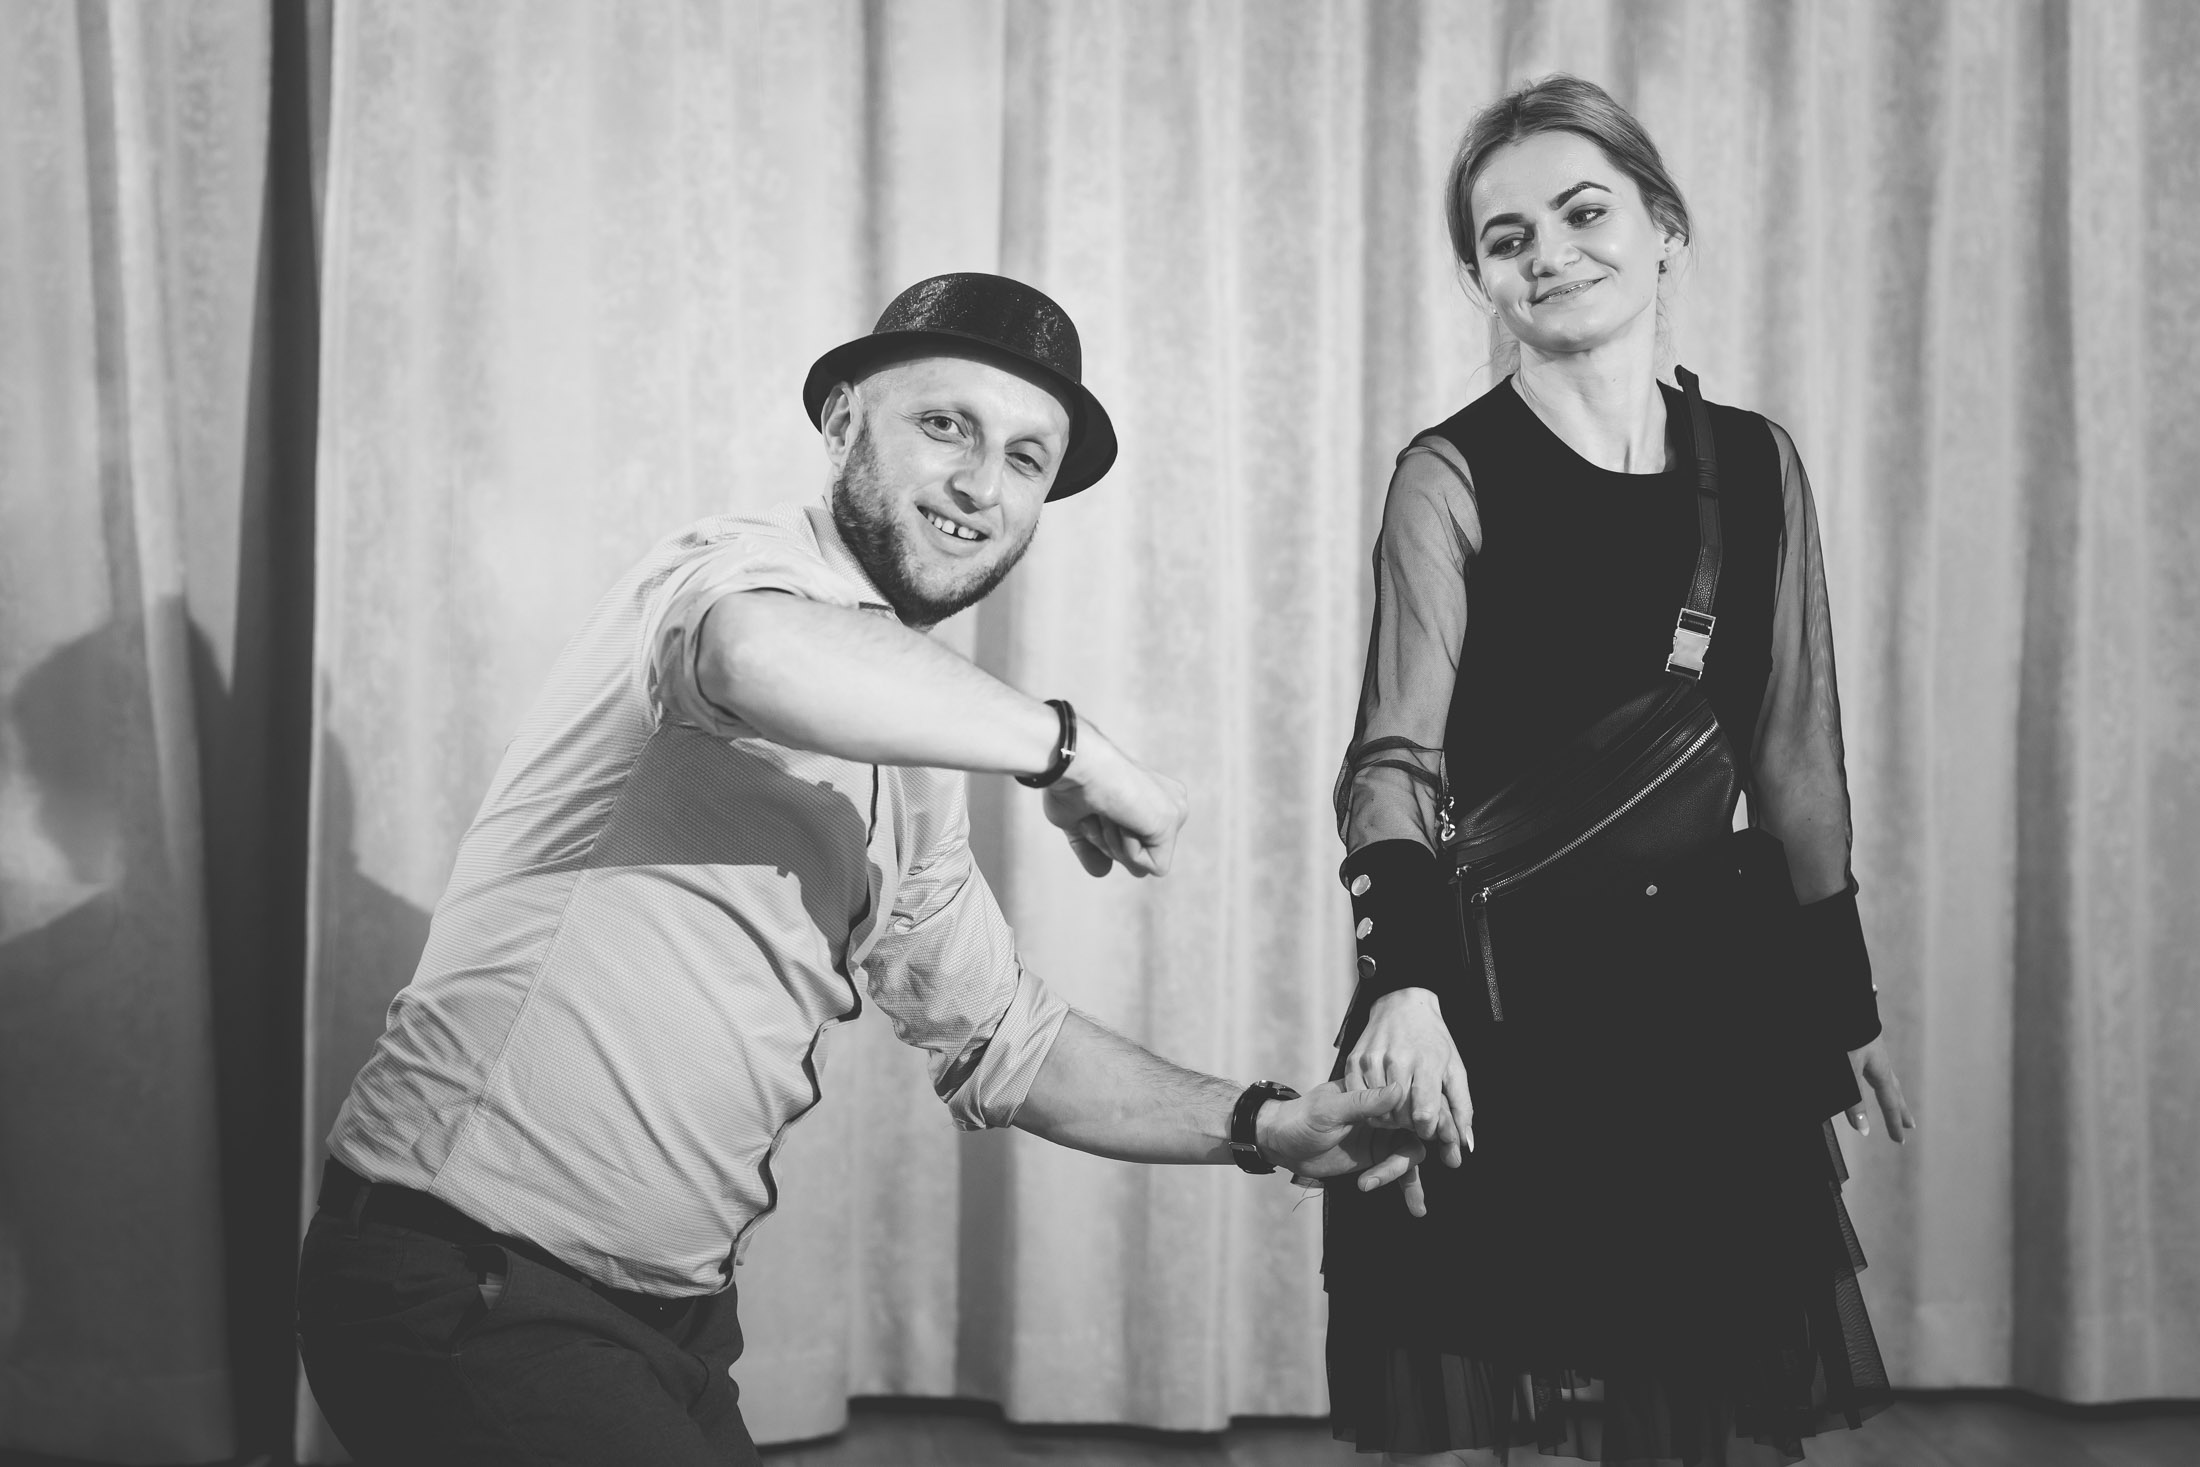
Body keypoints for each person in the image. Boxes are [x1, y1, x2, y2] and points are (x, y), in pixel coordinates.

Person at [294, 273, 1426, 1467]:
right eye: (945, 426)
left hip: (670, 1325)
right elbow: (755, 655)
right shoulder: (728, 572)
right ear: (842, 421)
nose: (980, 485)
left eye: (1025, 459)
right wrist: (1073, 748)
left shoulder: (914, 759)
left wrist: (1267, 1124)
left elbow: (1006, 1039)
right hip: (472, 1286)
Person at [1324, 78, 1916, 1466]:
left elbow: (1794, 754)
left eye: (1583, 212)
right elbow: (1394, 761)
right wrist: (1405, 981)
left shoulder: (1758, 463)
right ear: (1479, 277)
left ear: (1665, 230)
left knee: (1691, 1395)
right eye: (1507, 236)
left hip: (1708, 997)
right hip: (1500, 992)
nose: (1550, 252)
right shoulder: (1447, 473)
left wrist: (1842, 995)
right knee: (1516, 1374)